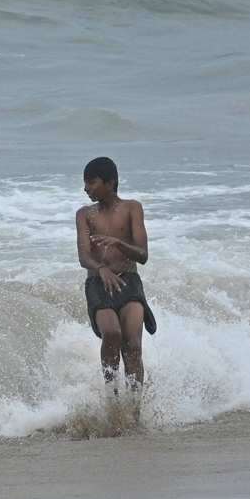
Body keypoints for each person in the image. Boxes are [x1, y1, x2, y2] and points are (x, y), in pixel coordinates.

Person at [76, 156, 155, 396]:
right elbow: (83, 256)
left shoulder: (132, 208)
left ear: (110, 183)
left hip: (129, 282)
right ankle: (112, 396)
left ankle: (134, 407)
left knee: (132, 345)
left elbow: (142, 255)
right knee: (111, 333)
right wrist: (102, 269)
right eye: (85, 183)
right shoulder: (85, 214)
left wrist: (118, 243)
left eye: (91, 183)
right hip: (98, 284)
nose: (86, 189)